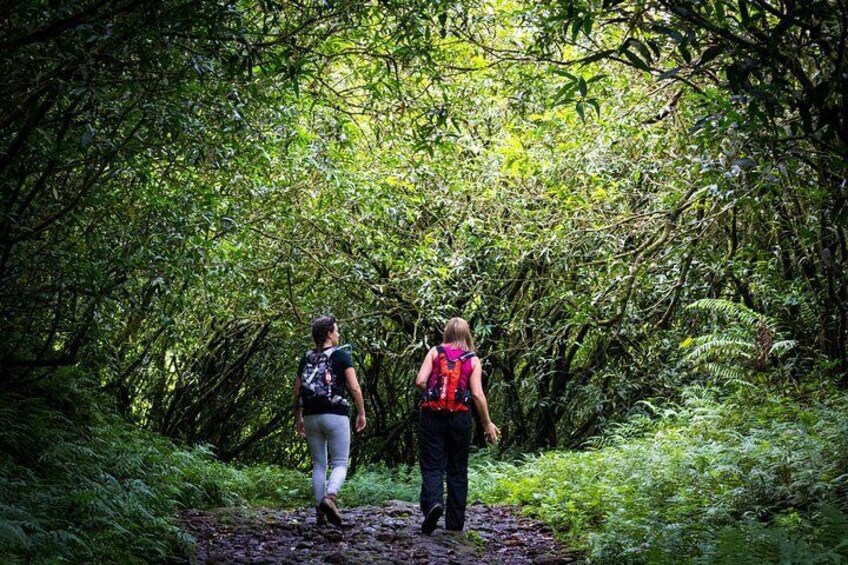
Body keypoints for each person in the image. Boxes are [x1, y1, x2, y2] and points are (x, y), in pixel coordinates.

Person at [414, 317, 499, 535]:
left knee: (432, 466)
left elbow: (420, 381)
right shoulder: (473, 360)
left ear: (447, 333)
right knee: (457, 469)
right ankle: (454, 523)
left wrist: (432, 396)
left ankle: (433, 504)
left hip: (432, 417)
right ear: (467, 334)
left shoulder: (435, 352)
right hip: (460, 419)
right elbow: (478, 394)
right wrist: (486, 423)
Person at [293, 316, 366, 526]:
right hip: (335, 413)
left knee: (318, 464)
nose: (339, 334)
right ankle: (330, 497)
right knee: (341, 462)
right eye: (336, 330)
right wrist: (361, 412)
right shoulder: (341, 356)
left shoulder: (306, 357)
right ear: (328, 334)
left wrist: (297, 417)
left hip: (310, 415)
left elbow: (297, 390)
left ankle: (320, 513)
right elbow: (354, 387)